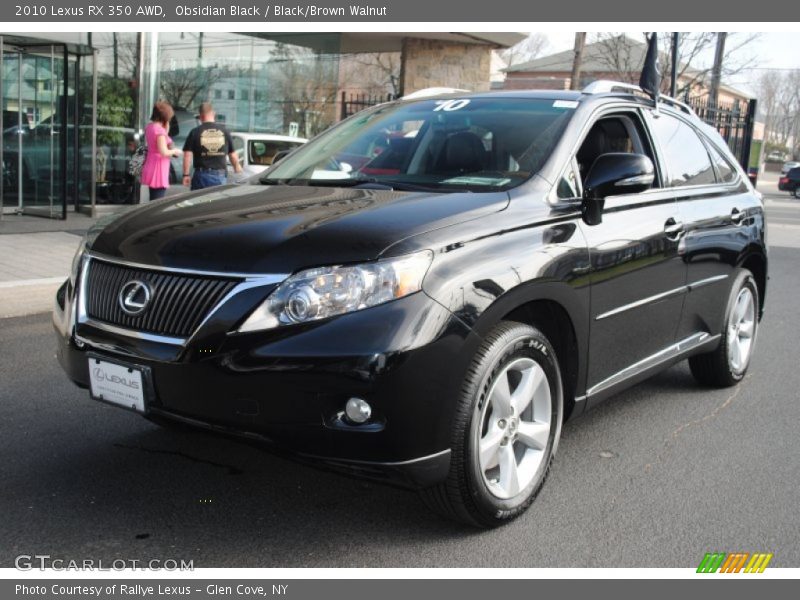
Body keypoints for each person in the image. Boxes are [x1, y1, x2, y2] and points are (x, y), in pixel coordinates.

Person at [182, 102, 242, 190]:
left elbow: (187, 155)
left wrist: (186, 175)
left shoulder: (195, 132)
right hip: (219, 176)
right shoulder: (225, 131)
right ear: (214, 114)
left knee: (199, 198)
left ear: (200, 116)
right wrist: (237, 169)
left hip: (201, 175)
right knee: (216, 199)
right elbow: (232, 155)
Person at [140, 101, 182, 201]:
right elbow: (163, 151)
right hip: (158, 168)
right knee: (157, 200)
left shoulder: (150, 127)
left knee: (153, 198)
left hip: (151, 163)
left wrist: (165, 131)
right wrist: (175, 151)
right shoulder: (159, 131)